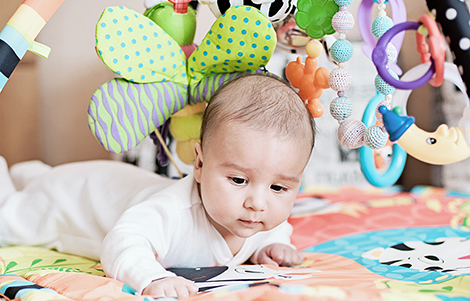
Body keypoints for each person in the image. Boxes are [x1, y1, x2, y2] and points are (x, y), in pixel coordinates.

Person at [0, 74, 315, 298]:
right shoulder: (173, 213)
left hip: (109, 183)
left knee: (42, 181)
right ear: (200, 165)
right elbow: (122, 242)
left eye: (278, 188)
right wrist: (152, 277)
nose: (257, 203)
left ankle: (32, 175)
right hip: (72, 200)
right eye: (238, 180)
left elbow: (274, 229)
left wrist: (268, 247)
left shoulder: (257, 217)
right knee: (9, 221)